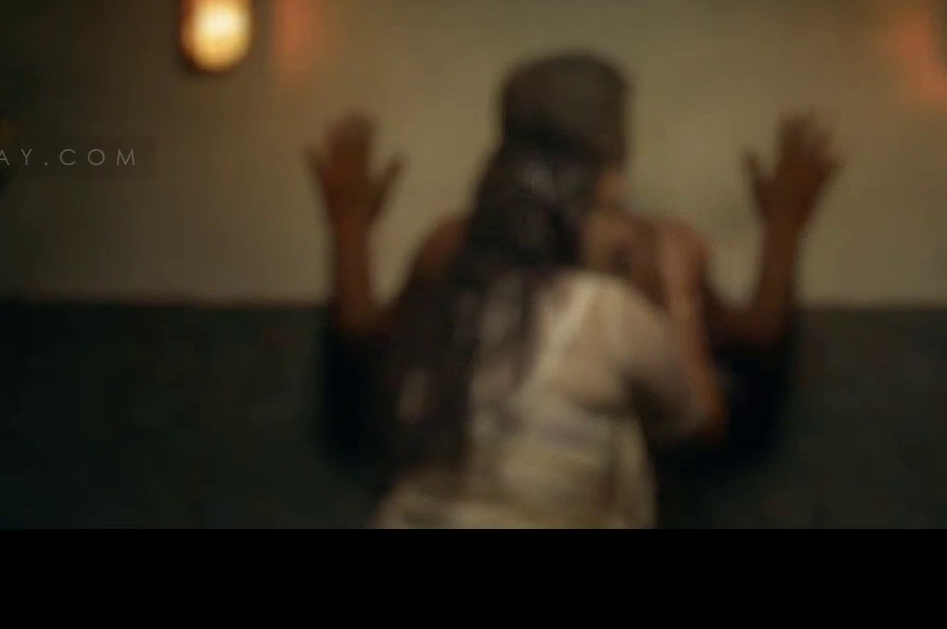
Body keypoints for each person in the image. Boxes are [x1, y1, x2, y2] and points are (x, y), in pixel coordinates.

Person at [308, 51, 839, 526]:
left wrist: (349, 229)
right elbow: (750, 341)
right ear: (617, 149)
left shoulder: (458, 244)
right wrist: (782, 234)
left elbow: (365, 330)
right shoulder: (652, 248)